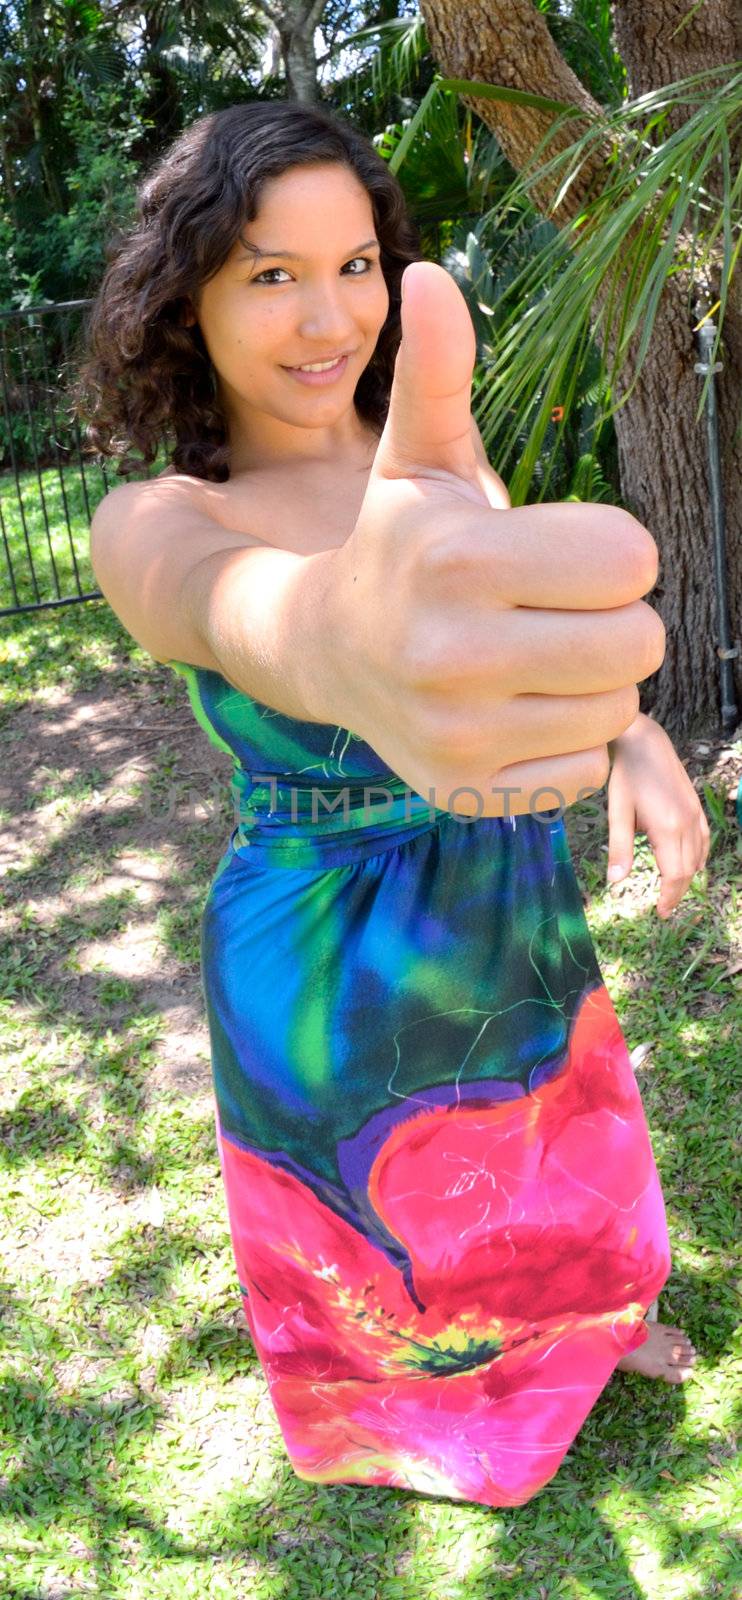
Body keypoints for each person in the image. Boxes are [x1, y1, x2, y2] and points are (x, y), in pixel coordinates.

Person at [77, 100, 705, 1509]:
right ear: (188, 298)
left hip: (502, 889)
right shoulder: (160, 517)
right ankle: (424, 1410)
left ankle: (577, 1332)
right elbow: (249, 615)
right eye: (270, 272)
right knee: (386, 1218)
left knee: (544, 1142)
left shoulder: (425, 459)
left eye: (354, 264)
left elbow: (514, 632)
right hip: (326, 945)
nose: (327, 316)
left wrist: (632, 738)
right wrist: (338, 636)